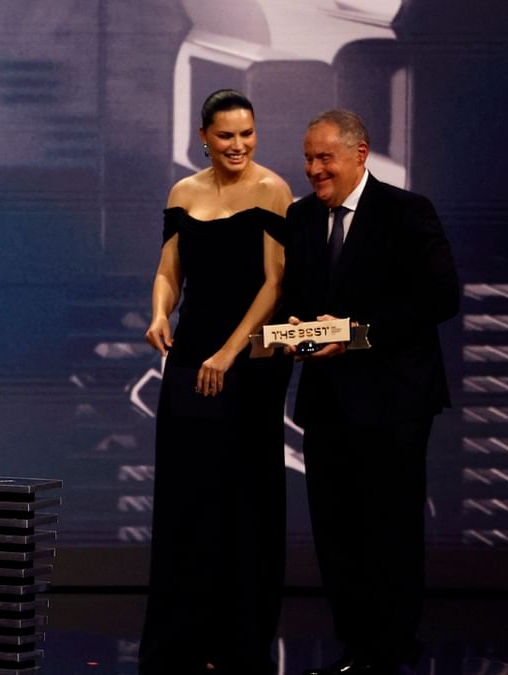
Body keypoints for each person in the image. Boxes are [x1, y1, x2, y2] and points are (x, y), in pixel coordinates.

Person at [283, 110, 459, 675]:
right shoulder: (301, 218)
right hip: (327, 401)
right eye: (309, 158)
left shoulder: (407, 212)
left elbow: (438, 298)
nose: (314, 169)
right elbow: (301, 300)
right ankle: (355, 649)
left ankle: (393, 648)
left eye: (324, 157)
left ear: (361, 154)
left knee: (391, 528)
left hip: (394, 402)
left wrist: (357, 336)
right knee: (337, 532)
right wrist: (295, 334)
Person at [139, 89, 294, 674]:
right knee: (186, 498)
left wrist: (230, 353)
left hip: (251, 361)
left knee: (242, 500)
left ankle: (239, 642)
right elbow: (168, 269)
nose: (239, 145)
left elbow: (275, 285)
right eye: (227, 135)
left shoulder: (273, 189)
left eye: (247, 133)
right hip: (189, 358)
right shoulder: (184, 192)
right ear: (204, 136)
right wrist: (160, 312)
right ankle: (183, 639)